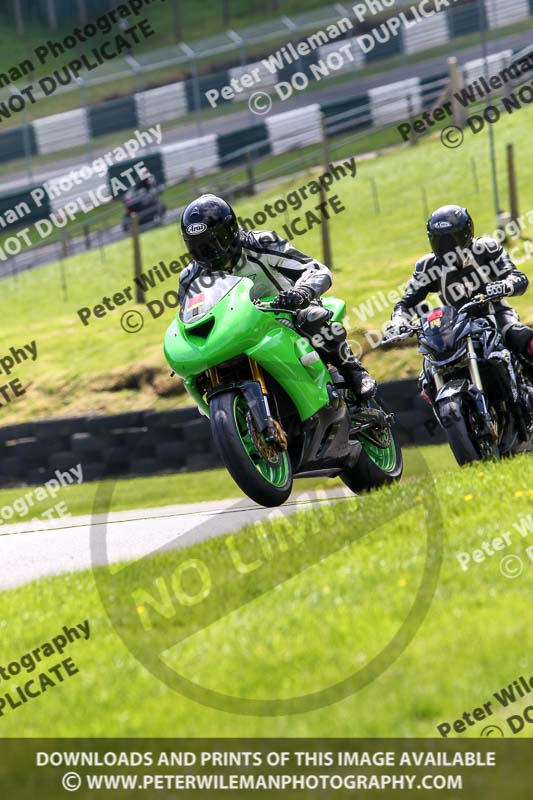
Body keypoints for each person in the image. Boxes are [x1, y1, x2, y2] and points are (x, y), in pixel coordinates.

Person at [178, 193, 376, 401]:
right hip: (236, 333)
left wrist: (301, 293)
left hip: (286, 314)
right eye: (198, 247)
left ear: (231, 231)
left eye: (215, 242)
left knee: (312, 317)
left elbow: (317, 270)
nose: (209, 252)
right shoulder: (189, 279)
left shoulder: (262, 243)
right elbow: (189, 322)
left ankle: (353, 371)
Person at [387, 204, 533, 364]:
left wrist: (506, 285)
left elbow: (518, 277)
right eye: (440, 241)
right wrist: (399, 320)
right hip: (454, 329)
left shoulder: (486, 248)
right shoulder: (427, 267)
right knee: (429, 371)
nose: (447, 247)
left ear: (466, 233)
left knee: (523, 338)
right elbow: (406, 303)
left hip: (497, 315)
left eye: (452, 239)